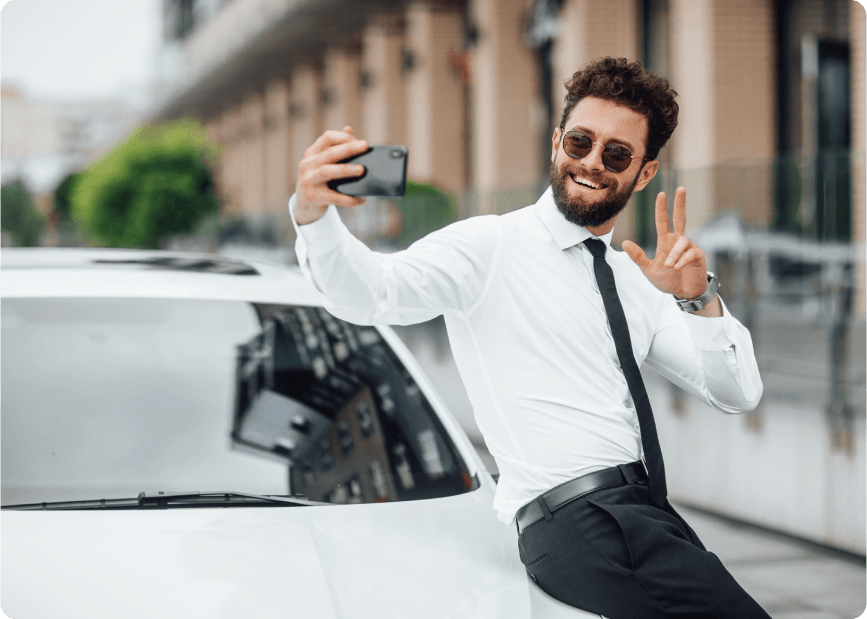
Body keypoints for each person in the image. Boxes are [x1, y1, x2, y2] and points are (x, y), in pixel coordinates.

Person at [288, 57, 770, 618]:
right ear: (556, 143)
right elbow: (370, 293)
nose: (591, 162)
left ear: (645, 173)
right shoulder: (489, 246)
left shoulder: (636, 282)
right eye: (580, 142)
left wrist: (698, 299)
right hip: (576, 521)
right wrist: (313, 214)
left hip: (645, 517)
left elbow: (737, 395)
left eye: (615, 153)